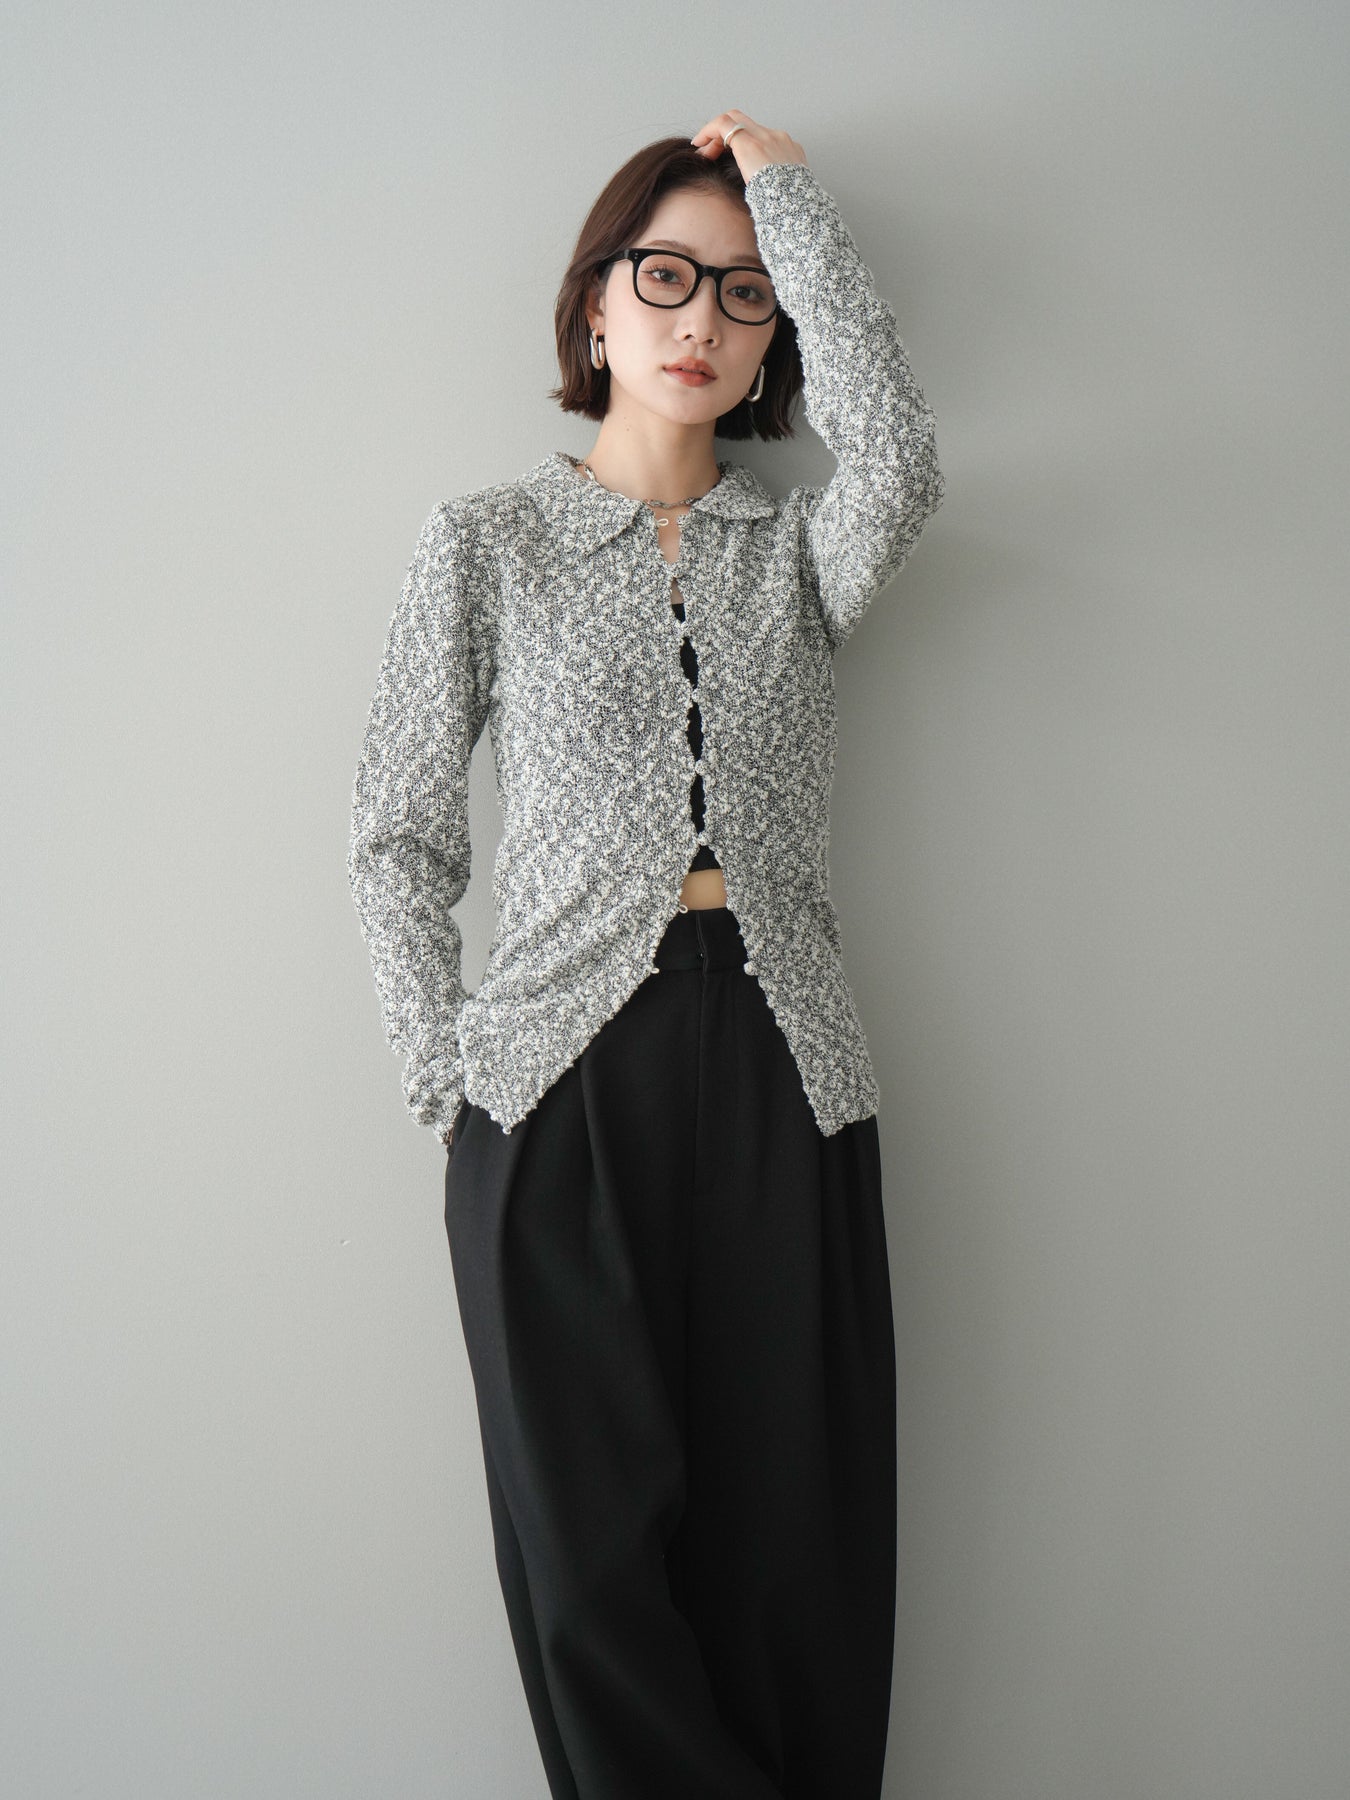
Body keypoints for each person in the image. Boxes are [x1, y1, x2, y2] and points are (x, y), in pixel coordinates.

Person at [348, 108, 944, 1800]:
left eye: (743, 294)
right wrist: (445, 1075)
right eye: (666, 277)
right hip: (551, 1085)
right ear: (595, 307)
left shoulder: (799, 554)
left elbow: (901, 463)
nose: (702, 320)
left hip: (784, 1069)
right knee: (591, 1569)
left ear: (775, 336)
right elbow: (397, 834)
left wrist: (791, 209)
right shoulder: (485, 544)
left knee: (796, 1554)